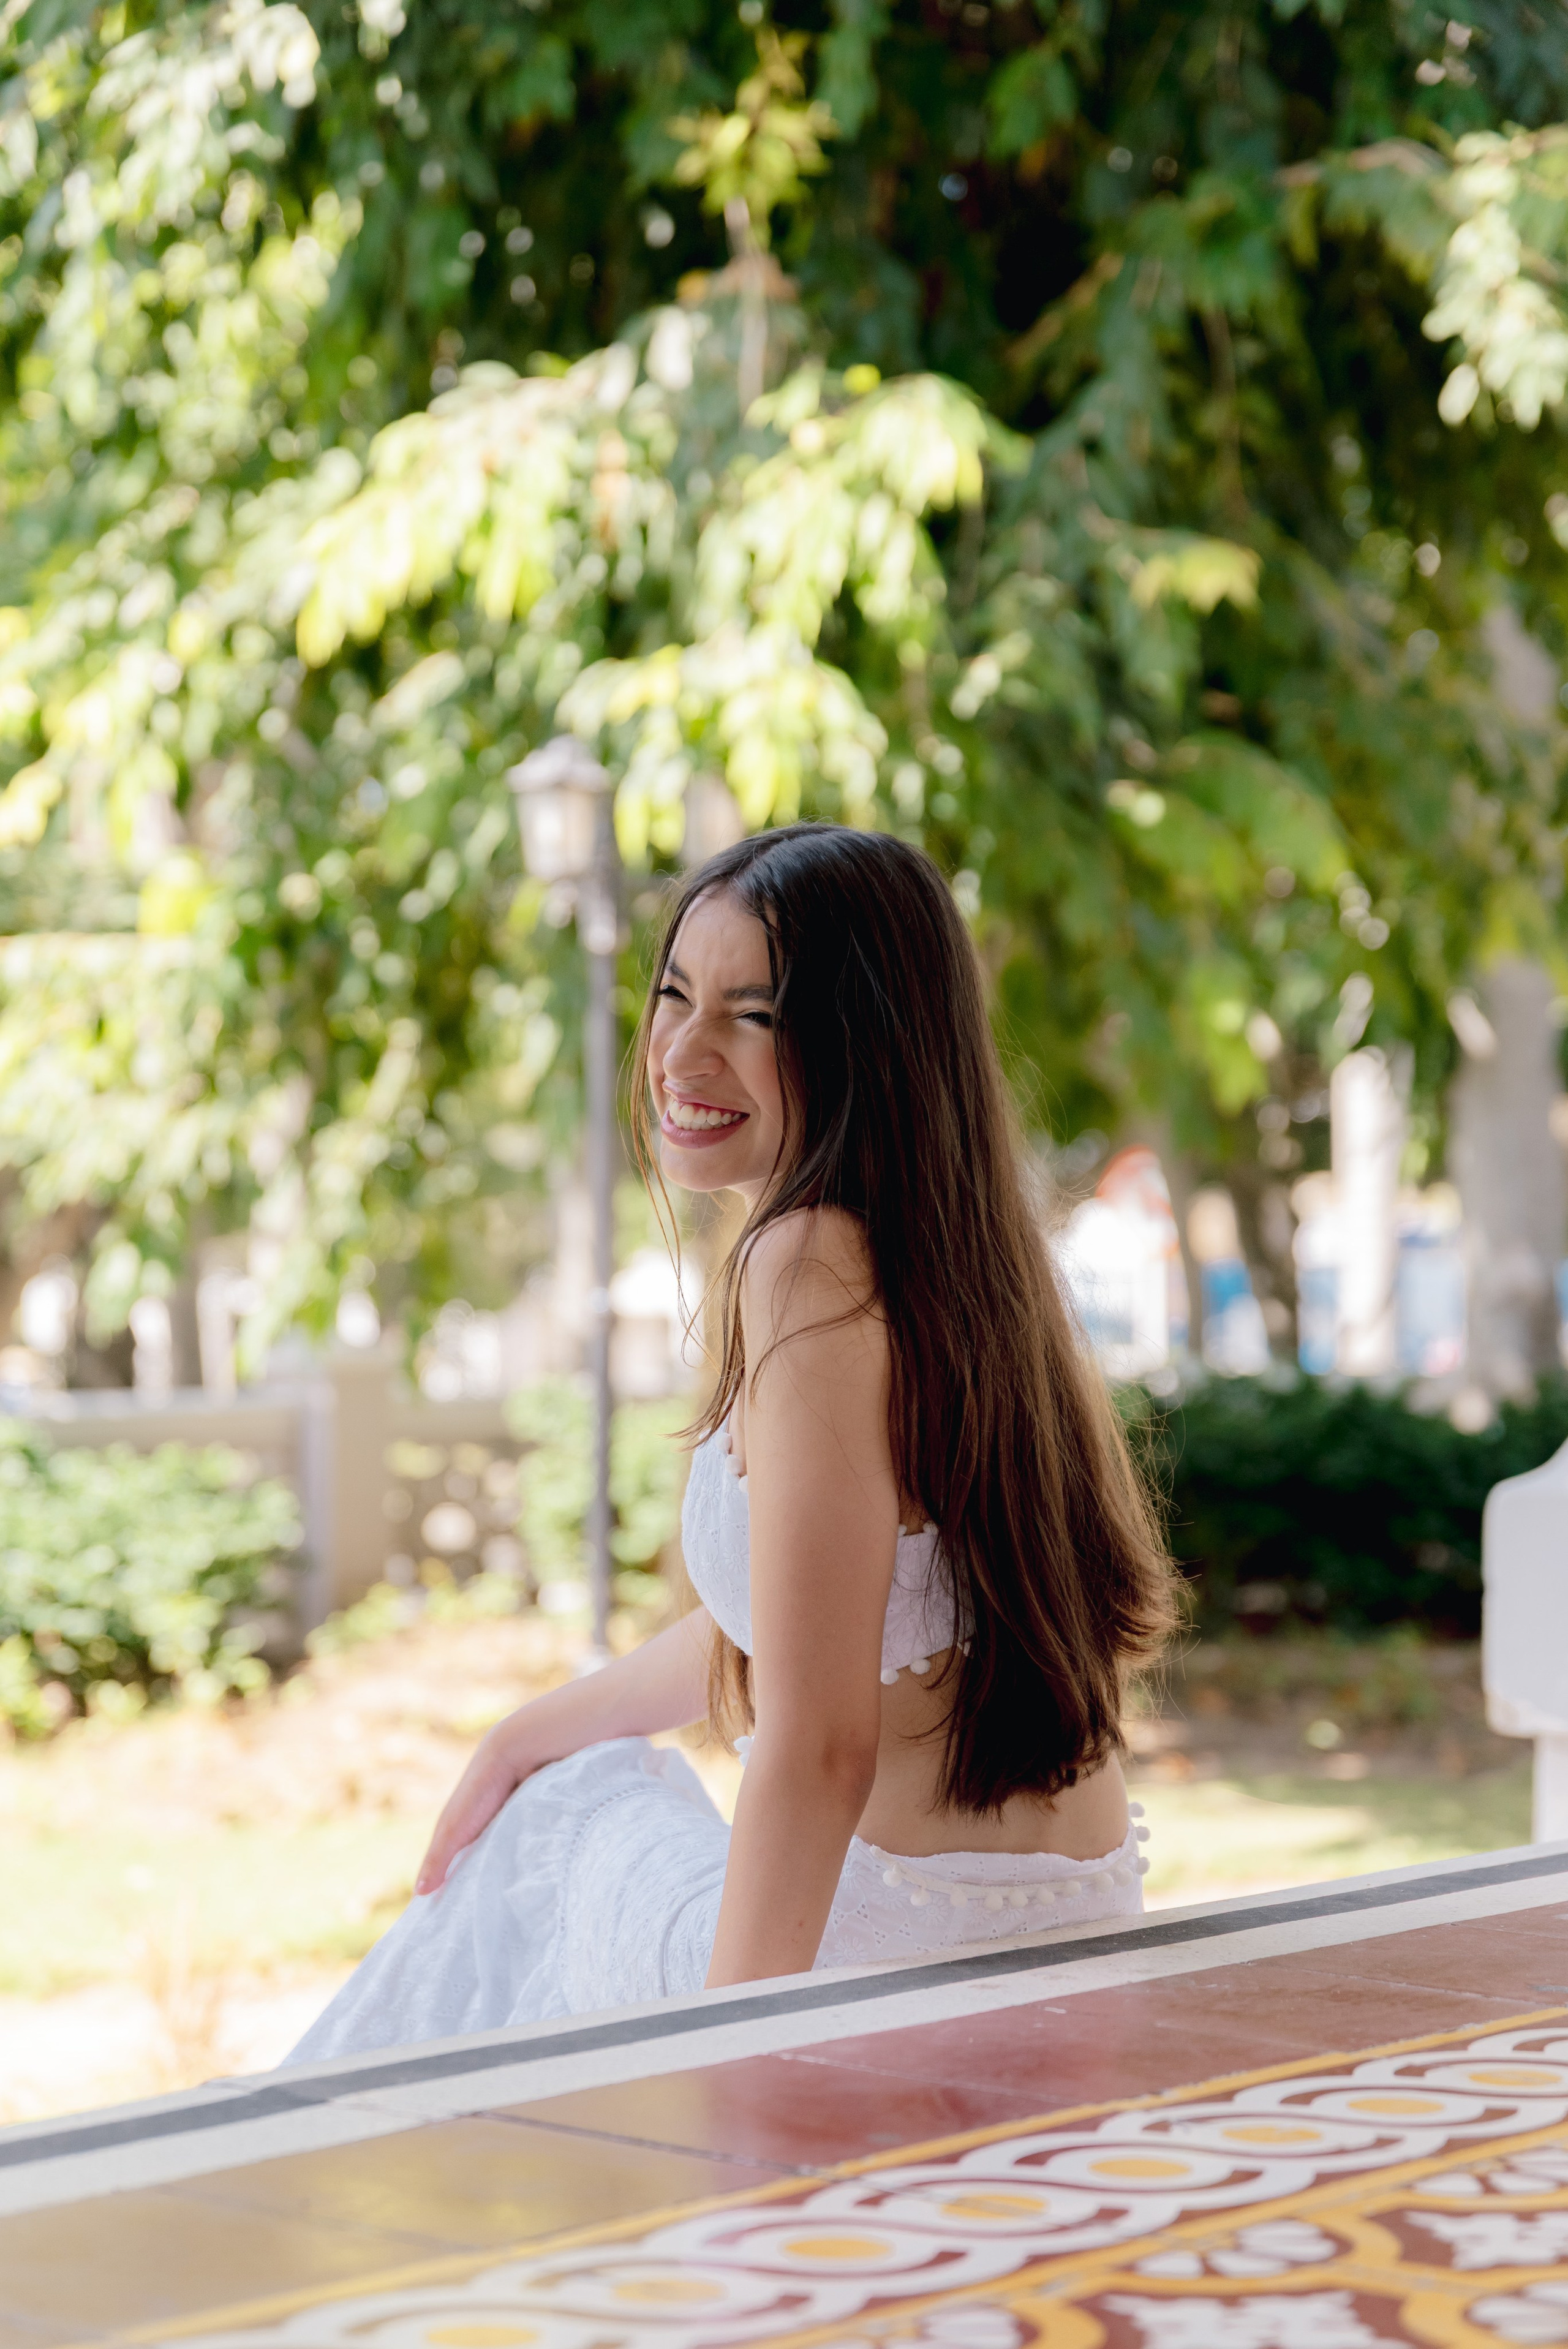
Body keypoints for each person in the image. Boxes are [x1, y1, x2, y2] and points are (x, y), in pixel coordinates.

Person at [287, 823, 1175, 2062]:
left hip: (898, 1947)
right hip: (1076, 1918)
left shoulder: (801, 1263)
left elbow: (817, 1740)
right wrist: (526, 1726)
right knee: (566, 1769)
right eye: (672, 995)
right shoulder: (962, 1269)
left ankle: (333, 2186)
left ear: (859, 1046)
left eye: (749, 1014)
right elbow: (823, 1614)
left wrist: (734, 2073)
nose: (681, 1053)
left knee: (563, 1820)